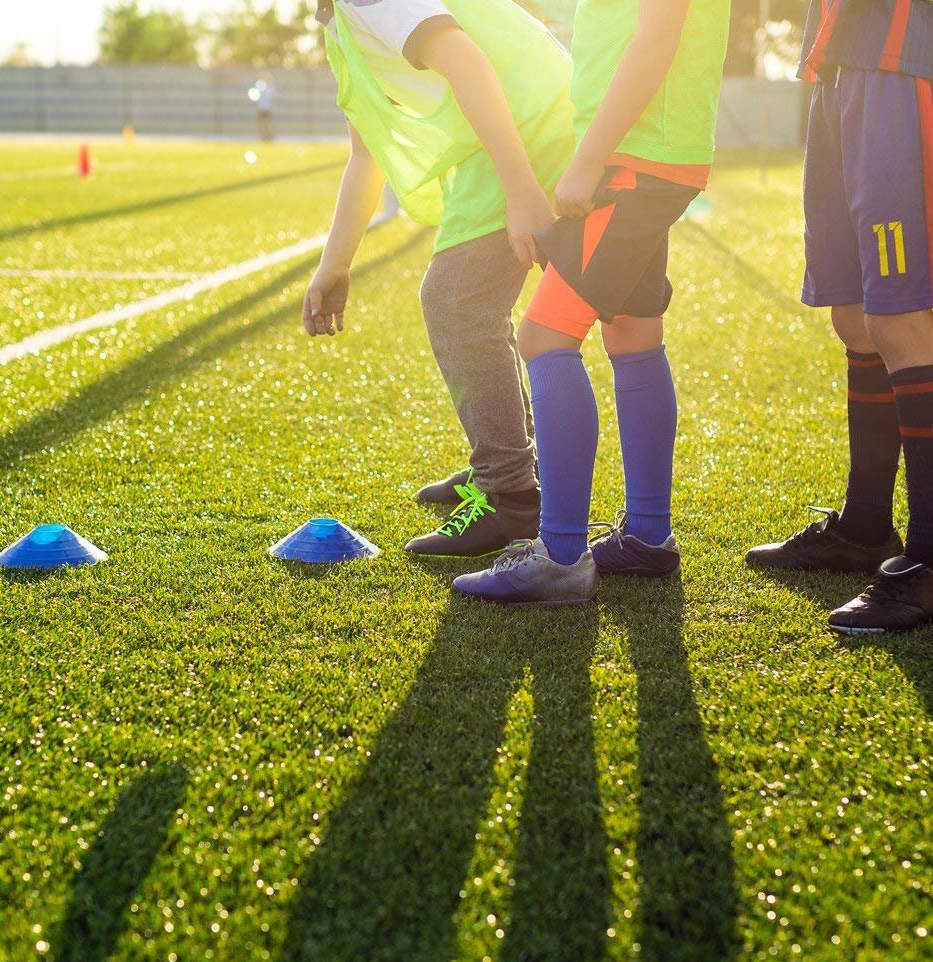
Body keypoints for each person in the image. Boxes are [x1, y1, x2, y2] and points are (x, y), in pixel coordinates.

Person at [453, 0, 730, 605]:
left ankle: (560, 556)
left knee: (544, 338)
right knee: (632, 335)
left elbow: (657, 39)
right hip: (649, 150)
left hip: (634, 157)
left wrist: (588, 157)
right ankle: (650, 539)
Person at [303, 0, 575, 557]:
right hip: (525, 121)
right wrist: (335, 263)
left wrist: (522, 190)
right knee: (468, 303)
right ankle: (511, 472)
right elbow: (366, 155)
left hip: (531, 124)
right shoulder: (338, 20)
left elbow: (468, 62)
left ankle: (512, 496)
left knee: (456, 301)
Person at [746, 0, 933, 634]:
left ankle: (929, 560)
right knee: (852, 314)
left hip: (901, 58)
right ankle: (864, 527)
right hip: (836, 65)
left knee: (901, 317)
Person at [255, 74, 277, 142]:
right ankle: (263, 136)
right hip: (261, 108)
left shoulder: (271, 87)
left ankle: (270, 137)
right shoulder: (261, 86)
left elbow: (272, 96)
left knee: (268, 123)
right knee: (260, 123)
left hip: (267, 108)